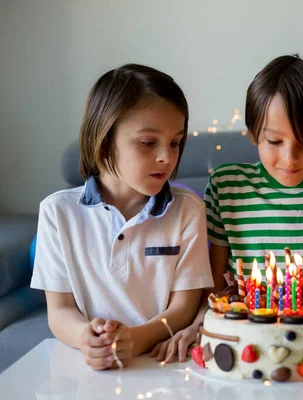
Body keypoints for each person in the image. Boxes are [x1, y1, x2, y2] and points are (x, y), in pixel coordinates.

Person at [153, 54, 303, 362]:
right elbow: (214, 283)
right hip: (245, 340)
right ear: (253, 132)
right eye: (274, 141)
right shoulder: (228, 187)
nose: (290, 158)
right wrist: (201, 324)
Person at [31, 64, 214, 370]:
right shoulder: (57, 212)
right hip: (90, 372)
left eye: (175, 142)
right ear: (103, 139)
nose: (166, 157)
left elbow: (183, 307)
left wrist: (137, 339)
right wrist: (85, 338)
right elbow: (59, 311)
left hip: (163, 365)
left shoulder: (188, 210)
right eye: (147, 143)